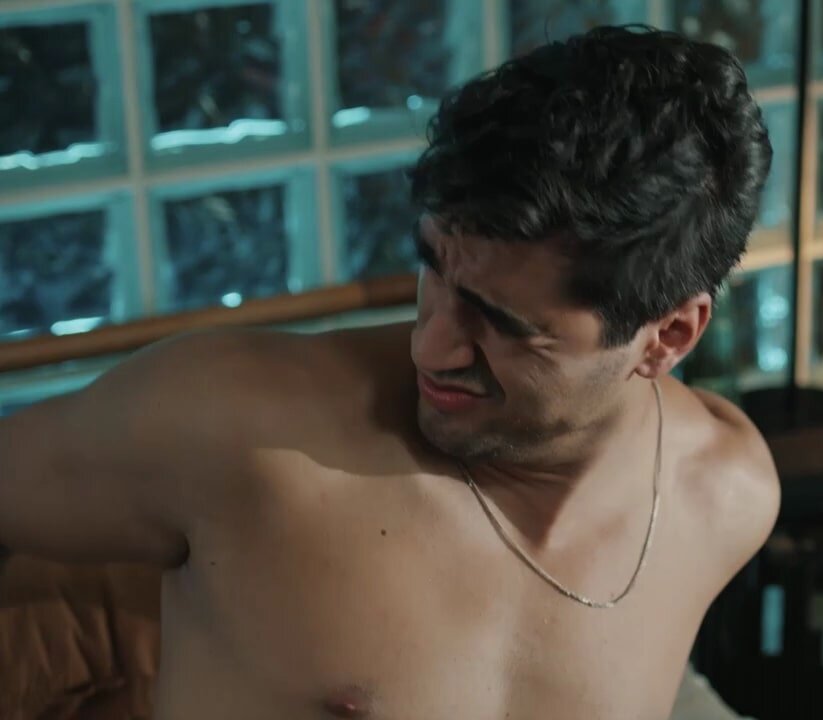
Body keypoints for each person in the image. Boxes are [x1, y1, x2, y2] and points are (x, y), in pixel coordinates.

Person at [0, 25, 779, 720]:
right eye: (431, 268)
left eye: (503, 324)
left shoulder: (727, 496)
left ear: (668, 336)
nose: (429, 347)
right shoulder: (237, 424)